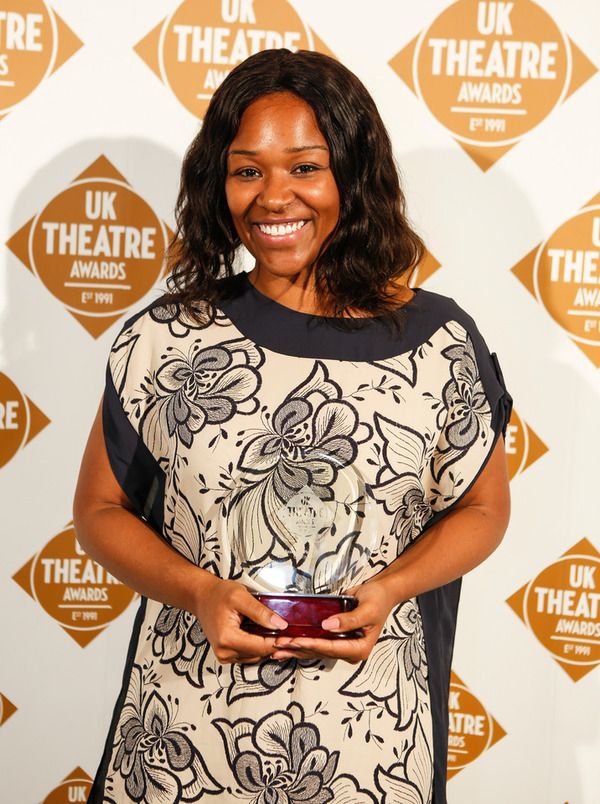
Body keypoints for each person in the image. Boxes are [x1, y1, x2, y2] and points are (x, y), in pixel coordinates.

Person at [74, 49, 511, 804]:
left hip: (368, 749)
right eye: (247, 171)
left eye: (304, 167)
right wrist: (198, 591)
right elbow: (98, 512)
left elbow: (483, 508)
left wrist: (393, 587)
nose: (273, 197)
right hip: (183, 743)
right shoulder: (167, 337)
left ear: (353, 173)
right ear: (220, 185)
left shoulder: (440, 340)